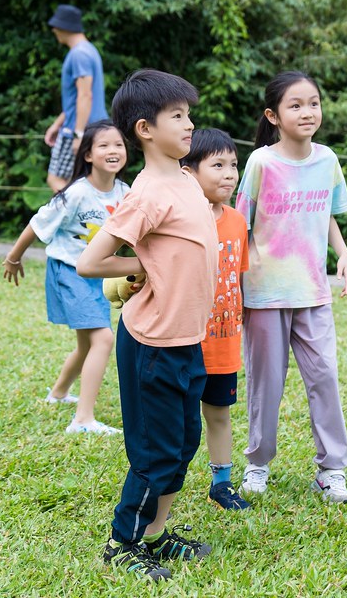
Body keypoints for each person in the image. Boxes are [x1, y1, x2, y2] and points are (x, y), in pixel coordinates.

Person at [77, 69, 218, 581]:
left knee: (183, 443)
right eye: (177, 116)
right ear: (144, 129)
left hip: (187, 339)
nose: (189, 124)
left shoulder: (184, 180)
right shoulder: (149, 192)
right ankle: (123, 543)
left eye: (188, 114)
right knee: (154, 451)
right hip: (152, 343)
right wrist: (140, 267)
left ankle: (157, 535)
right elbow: (91, 262)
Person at [235, 70, 347, 504]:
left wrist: (341, 253)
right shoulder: (260, 162)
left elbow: (326, 214)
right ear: (273, 115)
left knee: (325, 377)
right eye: (296, 105)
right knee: (266, 384)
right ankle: (257, 464)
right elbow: (240, 224)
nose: (308, 112)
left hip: (313, 292)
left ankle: (332, 470)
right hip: (265, 294)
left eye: (314, 103)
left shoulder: (327, 160)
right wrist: (232, 285)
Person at [2, 119, 128, 435]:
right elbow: (37, 223)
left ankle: (58, 394)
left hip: (97, 275)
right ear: (88, 155)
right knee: (103, 338)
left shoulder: (126, 193)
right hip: (69, 272)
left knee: (88, 344)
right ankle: (83, 420)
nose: (113, 150)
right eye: (104, 145)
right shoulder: (76, 194)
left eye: (118, 145)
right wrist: (13, 257)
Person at [180, 128, 251, 511]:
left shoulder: (238, 222)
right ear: (190, 172)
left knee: (218, 415)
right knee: (180, 421)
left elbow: (239, 278)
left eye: (233, 165)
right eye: (218, 165)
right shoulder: (181, 219)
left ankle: (221, 484)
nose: (229, 173)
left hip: (224, 342)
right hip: (185, 340)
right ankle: (165, 485)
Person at [43, 4, 108, 193]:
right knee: (83, 181)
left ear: (64, 27)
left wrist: (78, 134)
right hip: (90, 126)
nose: (54, 30)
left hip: (80, 129)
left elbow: (85, 94)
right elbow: (78, 98)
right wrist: (57, 124)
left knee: (56, 179)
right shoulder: (89, 50)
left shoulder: (79, 54)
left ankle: (76, 221)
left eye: (56, 26)